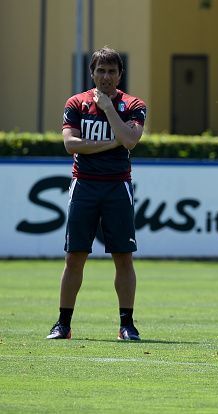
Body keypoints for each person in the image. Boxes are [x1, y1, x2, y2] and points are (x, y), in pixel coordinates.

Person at [46, 47, 146, 341]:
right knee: (74, 256)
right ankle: (63, 324)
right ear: (92, 73)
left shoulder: (133, 104)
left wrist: (108, 109)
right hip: (85, 186)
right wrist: (112, 142)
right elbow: (71, 145)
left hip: (117, 186)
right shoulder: (75, 103)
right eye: (100, 71)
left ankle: (126, 324)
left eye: (112, 71)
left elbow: (129, 140)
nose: (106, 77)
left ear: (120, 74)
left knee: (123, 257)